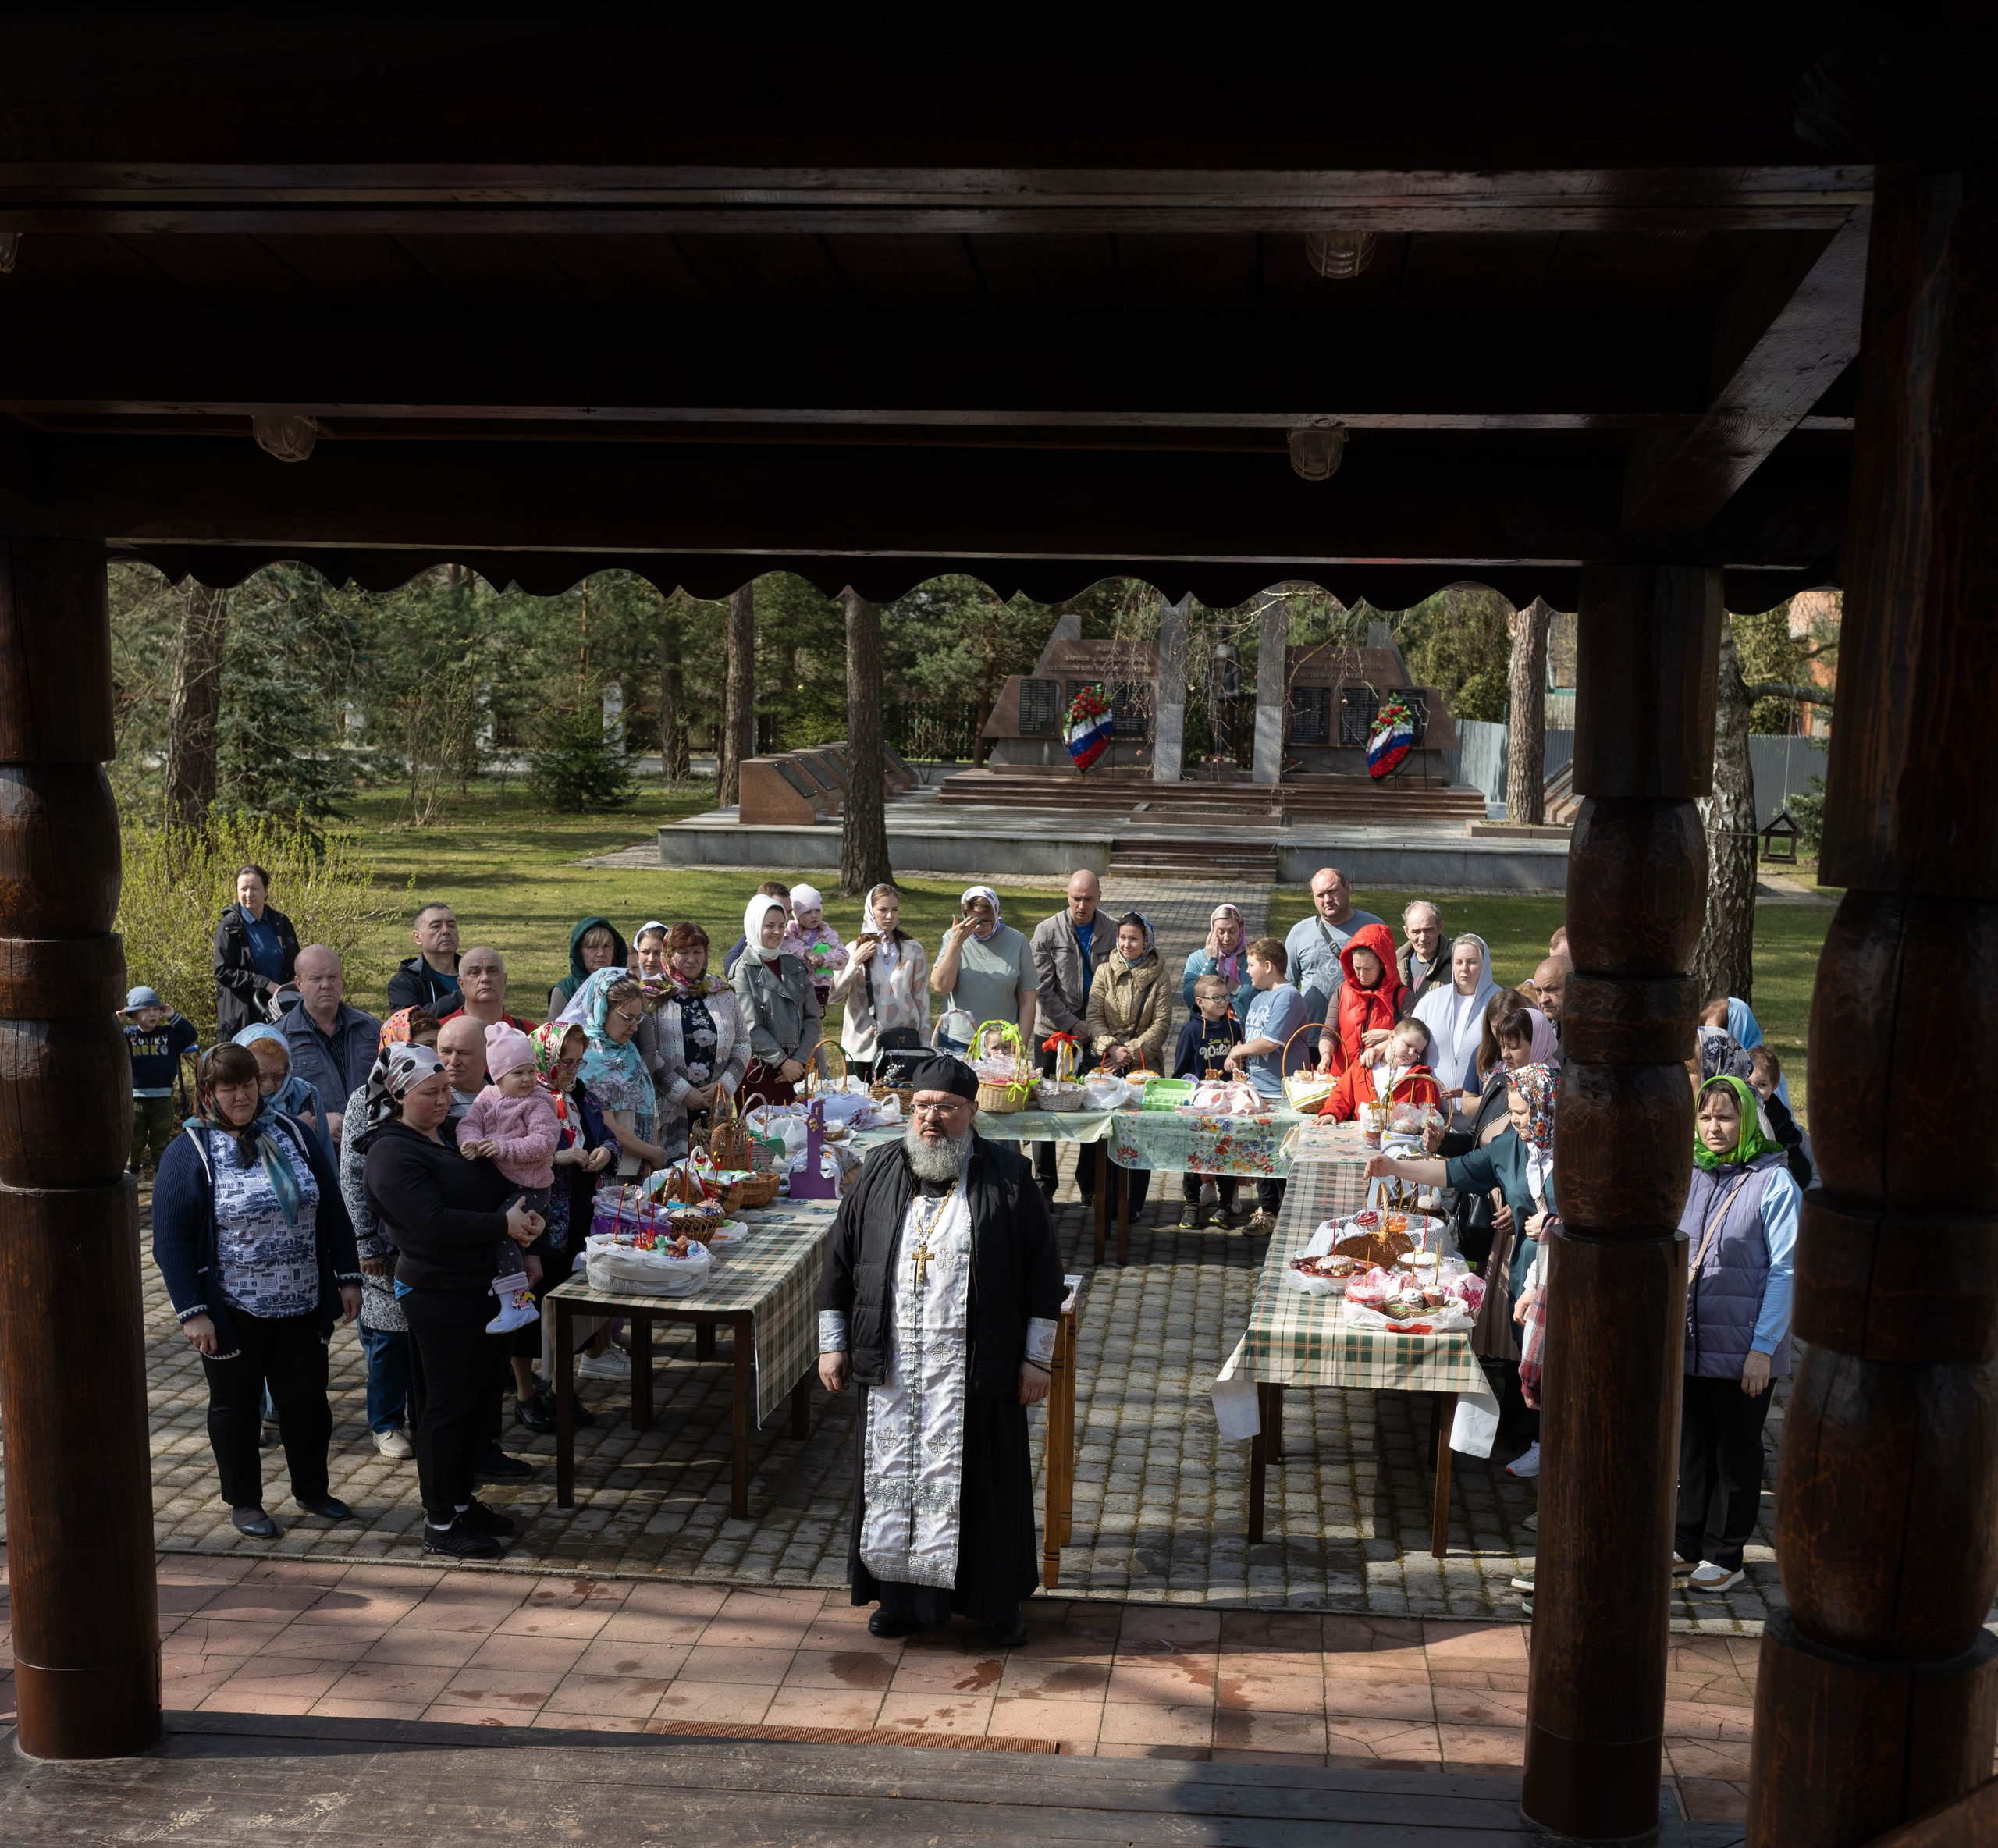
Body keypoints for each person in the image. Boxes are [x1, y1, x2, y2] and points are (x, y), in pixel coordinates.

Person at [816, 1054, 1064, 1649]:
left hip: (977, 1370)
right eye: (923, 1106)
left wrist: (1037, 1358)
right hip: (895, 1369)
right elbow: (840, 1261)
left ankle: (993, 1607)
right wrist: (833, 1344)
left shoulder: (1008, 1177)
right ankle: (899, 1600)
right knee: (893, 1483)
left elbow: (1042, 1271)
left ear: (972, 1113)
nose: (932, 1119)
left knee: (985, 1488)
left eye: (947, 1108)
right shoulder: (877, 1170)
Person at [151, 1042, 362, 1539]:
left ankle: (312, 1490)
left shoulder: (290, 1132)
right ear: (209, 1093)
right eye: (231, 1089)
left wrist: (348, 1277)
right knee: (236, 1408)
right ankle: (245, 1502)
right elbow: (171, 1239)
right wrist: (192, 1312)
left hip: (302, 1302)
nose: (244, 1096)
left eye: (250, 1085)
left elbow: (331, 1205)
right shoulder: (190, 1151)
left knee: (308, 1403)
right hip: (232, 1310)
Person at [361, 1040, 543, 1558]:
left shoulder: (442, 1137)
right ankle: (441, 1522)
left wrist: (523, 1220)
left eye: (447, 1090)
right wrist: (499, 1224)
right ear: (400, 1094)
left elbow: (489, 1189)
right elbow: (428, 1225)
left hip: (481, 1289)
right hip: (439, 1294)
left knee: (477, 1403)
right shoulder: (391, 1152)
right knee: (446, 1408)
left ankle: (462, 1502)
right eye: (431, 1092)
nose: (444, 1100)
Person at [1368, 1061, 1559, 1473]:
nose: (1519, 1122)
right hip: (1530, 1264)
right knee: (1531, 1358)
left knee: (1559, 1362)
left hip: (1567, 1271)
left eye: (1525, 1113)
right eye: (1514, 1112)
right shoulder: (1511, 1147)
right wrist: (1397, 1167)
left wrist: (1556, 1223)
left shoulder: (1576, 1152)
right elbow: (1454, 1171)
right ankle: (1541, 1444)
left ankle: (1554, 1450)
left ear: (1548, 1107)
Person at [1675, 1075, 1799, 1594]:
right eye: (1705, 1118)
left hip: (1745, 1346)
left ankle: (1726, 1553)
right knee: (1694, 1446)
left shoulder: (1775, 1183)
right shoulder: (1697, 1175)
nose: (1713, 1127)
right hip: (1693, 1340)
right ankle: (1687, 1543)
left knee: (1737, 1450)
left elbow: (1786, 1270)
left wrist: (1762, 1350)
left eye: (1724, 1117)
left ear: (1746, 1118)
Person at [338, 1007, 440, 1459]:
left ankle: (422, 1418)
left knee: (421, 1336)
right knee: (387, 1336)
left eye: (432, 1044)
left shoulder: (438, 1091)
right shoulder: (367, 1100)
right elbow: (353, 1175)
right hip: (383, 1240)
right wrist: (365, 1241)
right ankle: (385, 1423)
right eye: (417, 1044)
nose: (428, 1053)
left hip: (425, 1236)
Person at [520, 1018, 620, 1415]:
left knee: (570, 1306)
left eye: (577, 1062)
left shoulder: (583, 1096)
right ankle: (526, 1394)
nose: (571, 1070)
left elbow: (606, 1136)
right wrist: (556, 1156)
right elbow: (513, 1152)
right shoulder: (525, 1097)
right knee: (531, 1304)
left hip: (580, 1213)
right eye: (564, 1062)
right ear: (544, 1057)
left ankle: (563, 1387)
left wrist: (607, 1153)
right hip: (538, 1219)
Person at [457, 1023, 562, 1334]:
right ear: (498, 1076)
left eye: (531, 1071)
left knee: (504, 1228)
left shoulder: (539, 1103)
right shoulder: (487, 1096)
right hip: (505, 1183)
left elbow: (544, 1142)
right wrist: (471, 1142)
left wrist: (503, 1148)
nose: (528, 1079)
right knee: (507, 1233)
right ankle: (513, 1303)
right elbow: (469, 1122)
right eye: (518, 1073)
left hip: (531, 1185)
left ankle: (517, 1305)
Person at [1027, 872, 1111, 1204]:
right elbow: (1043, 989)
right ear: (1067, 895)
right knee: (1044, 1109)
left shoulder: (1112, 930)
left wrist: (1095, 1026)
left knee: (1093, 1107)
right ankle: (1045, 1184)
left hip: (1095, 1034)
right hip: (1052, 1033)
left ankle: (1089, 1184)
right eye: (1076, 898)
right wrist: (1073, 1023)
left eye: (1088, 899)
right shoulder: (1046, 931)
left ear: (1099, 897)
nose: (1081, 905)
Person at [1086, 912, 1170, 1217]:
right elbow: (1093, 1015)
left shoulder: (1159, 975)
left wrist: (1130, 1051)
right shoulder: (1105, 971)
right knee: (1106, 1131)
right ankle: (1105, 1198)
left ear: (1146, 939)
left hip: (1144, 1066)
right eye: (1122, 937)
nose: (1127, 944)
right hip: (1108, 1063)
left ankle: (1133, 1204)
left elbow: (1161, 1025)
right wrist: (1110, 1046)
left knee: (1139, 1135)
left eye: (1134, 938)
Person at [1223, 937, 1310, 1235]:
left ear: (1269, 966)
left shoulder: (1287, 996)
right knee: (1263, 1154)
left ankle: (1286, 1214)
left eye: (1250, 965)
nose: (1246, 971)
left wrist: (1238, 1051)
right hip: (1258, 1089)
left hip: (1282, 1091)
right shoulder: (1259, 997)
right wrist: (1241, 1058)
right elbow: (1255, 1042)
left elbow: (1273, 1041)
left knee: (1282, 1154)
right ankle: (1268, 1210)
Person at [648, 922, 749, 1158]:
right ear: (669, 954)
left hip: (717, 1104)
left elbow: (743, 1043)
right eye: (683, 952)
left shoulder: (722, 992)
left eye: (697, 952)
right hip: (669, 1106)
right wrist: (682, 1091)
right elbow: (648, 1050)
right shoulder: (652, 994)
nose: (691, 960)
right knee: (676, 1180)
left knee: (718, 1174)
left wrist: (724, 1086)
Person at [572, 965, 669, 1176]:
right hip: (609, 1173)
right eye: (627, 1018)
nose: (634, 1027)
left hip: (640, 1170)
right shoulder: (586, 1058)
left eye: (638, 1018)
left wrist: (648, 1161)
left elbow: (646, 1105)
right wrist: (653, 1153)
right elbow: (608, 1125)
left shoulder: (629, 1052)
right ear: (602, 1010)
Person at [280, 945, 379, 1150]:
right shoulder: (279, 1040)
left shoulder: (372, 1028)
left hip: (373, 1148)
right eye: (316, 979)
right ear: (299, 983)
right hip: (315, 1154)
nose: (326, 985)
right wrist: (320, 1123)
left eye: (333, 977)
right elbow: (268, 1108)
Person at [733, 894, 823, 1107]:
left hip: (796, 1072)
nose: (777, 932)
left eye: (782, 926)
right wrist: (782, 1062)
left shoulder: (794, 964)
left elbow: (812, 1018)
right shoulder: (742, 969)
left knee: (801, 1134)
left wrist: (799, 1060)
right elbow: (750, 1026)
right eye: (769, 926)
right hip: (760, 1073)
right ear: (754, 926)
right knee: (763, 1137)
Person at [833, 886, 931, 1081]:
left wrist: (925, 1047)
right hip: (860, 1048)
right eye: (883, 910)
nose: (889, 916)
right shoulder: (854, 948)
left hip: (902, 1048)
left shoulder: (913, 950)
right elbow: (833, 995)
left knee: (896, 1108)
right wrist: (854, 962)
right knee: (857, 1107)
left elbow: (923, 1002)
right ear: (870, 910)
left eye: (895, 909)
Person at [1173, 974, 1247, 1228]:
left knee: (1225, 1151)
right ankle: (1191, 1203)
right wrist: (1191, 1091)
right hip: (1199, 1105)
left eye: (1226, 996)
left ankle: (1226, 1203)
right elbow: (1180, 1071)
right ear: (1200, 1002)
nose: (1223, 1001)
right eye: (1216, 998)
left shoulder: (1234, 1027)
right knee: (1194, 1153)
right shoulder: (1191, 1030)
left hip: (1228, 1104)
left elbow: (1242, 1063)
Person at [933, 884, 1038, 1052]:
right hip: (958, 1041)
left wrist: (1020, 1045)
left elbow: (1028, 999)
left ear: (996, 914)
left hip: (1001, 1045)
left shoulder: (1018, 941)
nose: (978, 927)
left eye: (984, 920)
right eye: (972, 920)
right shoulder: (953, 937)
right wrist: (956, 943)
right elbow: (941, 986)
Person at [1284, 866, 1383, 1029]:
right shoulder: (1299, 932)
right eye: (1320, 895)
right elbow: (1287, 987)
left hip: (1363, 1035)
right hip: (1311, 1034)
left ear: (1347, 888)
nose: (1327, 899)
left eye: (1332, 891)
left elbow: (1389, 980)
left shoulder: (1374, 927)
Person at [1413, 933, 1502, 1106]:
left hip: (1482, 1109)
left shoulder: (1500, 1001)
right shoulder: (1431, 1001)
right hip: (1432, 1108)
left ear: (1485, 965)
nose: (1464, 969)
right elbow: (1407, 1038)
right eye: (1459, 962)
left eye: (1472, 962)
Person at [212, 862, 300, 1038]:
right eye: (243, 888)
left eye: (254, 888)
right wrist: (264, 983)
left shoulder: (281, 922)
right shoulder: (229, 926)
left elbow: (297, 965)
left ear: (266, 891)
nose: (248, 894)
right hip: (243, 1016)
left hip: (280, 1012)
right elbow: (223, 971)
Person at [122, 984, 198, 1176]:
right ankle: (132, 1173)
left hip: (163, 1099)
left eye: (156, 1009)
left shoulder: (169, 1035)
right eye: (146, 1010)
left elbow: (191, 1034)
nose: (153, 1014)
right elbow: (104, 1041)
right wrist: (115, 1022)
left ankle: (162, 1176)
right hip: (135, 1099)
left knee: (160, 1141)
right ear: (134, 1015)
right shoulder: (127, 1036)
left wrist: (173, 1016)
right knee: (134, 1139)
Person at [1315, 1016, 1444, 1121]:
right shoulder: (1363, 1066)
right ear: (1392, 1037)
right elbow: (1342, 1094)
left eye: (1417, 1051)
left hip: (1399, 1144)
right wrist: (1331, 1113)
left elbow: (1429, 1117)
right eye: (1408, 1045)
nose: (1411, 1053)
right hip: (1361, 1136)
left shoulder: (1421, 1079)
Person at [1321, 920, 1406, 1075]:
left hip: (1381, 1079)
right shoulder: (1342, 990)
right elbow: (1329, 1032)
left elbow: (1416, 1038)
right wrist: (1326, 1055)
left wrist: (1389, 1035)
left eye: (1368, 968)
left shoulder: (1402, 995)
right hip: (1342, 1077)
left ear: (1383, 964)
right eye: (1357, 967)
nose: (1362, 974)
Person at [234, 1025, 329, 1160]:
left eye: (278, 1077)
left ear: (288, 1069)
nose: (268, 1085)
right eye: (260, 1077)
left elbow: (325, 1155)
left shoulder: (308, 1093)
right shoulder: (235, 1100)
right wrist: (296, 1129)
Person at [1747, 1047, 1813, 1189]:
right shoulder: (1739, 1105)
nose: (1754, 1090)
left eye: (1762, 1085)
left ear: (1774, 1086)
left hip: (1790, 1161)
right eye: (1748, 1083)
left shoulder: (1774, 1112)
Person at [1180, 901, 1255, 1022]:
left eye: (1232, 931)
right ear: (1212, 931)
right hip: (1207, 1033)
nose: (1226, 938)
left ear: (1240, 930)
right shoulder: (1197, 959)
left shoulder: (1252, 958)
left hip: (1245, 1035)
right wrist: (1211, 963)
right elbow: (1190, 999)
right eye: (1220, 932)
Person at [783, 883, 849, 1013]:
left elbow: (843, 956)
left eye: (817, 910)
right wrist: (807, 953)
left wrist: (824, 959)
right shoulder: (791, 930)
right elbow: (787, 944)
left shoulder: (828, 933)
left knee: (813, 1020)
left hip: (819, 988)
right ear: (798, 915)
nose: (814, 915)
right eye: (808, 912)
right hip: (795, 985)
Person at [440, 946, 536, 1034]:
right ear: (461, 984)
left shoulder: (531, 1034)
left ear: (504, 980)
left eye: (492, 971)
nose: (485, 978)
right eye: (475, 973)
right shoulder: (440, 1031)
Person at [387, 902, 462, 1014]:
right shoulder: (405, 982)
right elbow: (410, 1023)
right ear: (417, 937)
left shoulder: (479, 972)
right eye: (436, 926)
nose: (446, 931)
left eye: (451, 925)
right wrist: (463, 996)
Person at [549, 915, 627, 1019]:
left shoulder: (628, 988)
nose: (601, 953)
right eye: (592, 947)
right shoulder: (564, 991)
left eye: (606, 946)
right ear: (579, 952)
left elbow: (644, 1034)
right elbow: (553, 1034)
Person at [722, 881, 793, 979]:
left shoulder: (796, 940)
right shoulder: (737, 957)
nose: (785, 918)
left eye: (788, 912)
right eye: (777, 910)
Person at [1397, 901, 1450, 1008]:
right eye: (1416, 932)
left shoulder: (1458, 962)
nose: (1423, 938)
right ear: (1406, 932)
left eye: (1428, 930)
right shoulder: (1394, 964)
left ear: (1440, 927)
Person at [1530, 952, 1571, 1032]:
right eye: (1538, 991)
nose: (1543, 1000)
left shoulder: (1586, 1032)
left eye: (1551, 989)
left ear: (1571, 987)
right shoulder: (1537, 1029)